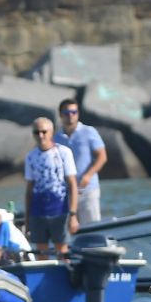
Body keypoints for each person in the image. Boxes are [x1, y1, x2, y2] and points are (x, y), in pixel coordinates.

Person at [24, 116, 78, 257]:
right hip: (38, 211)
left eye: (44, 131)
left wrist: (73, 214)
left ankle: (66, 275)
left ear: (51, 132)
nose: (41, 136)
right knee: (41, 251)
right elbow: (29, 189)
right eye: (37, 132)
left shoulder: (63, 152)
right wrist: (27, 220)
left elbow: (72, 184)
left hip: (60, 210)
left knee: (62, 251)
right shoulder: (30, 157)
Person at [55, 99, 108, 224]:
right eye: (67, 112)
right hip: (66, 192)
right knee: (69, 229)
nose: (71, 116)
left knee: (92, 225)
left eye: (74, 112)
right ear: (61, 115)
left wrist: (88, 175)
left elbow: (102, 156)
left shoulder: (89, 132)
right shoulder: (56, 138)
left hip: (88, 189)